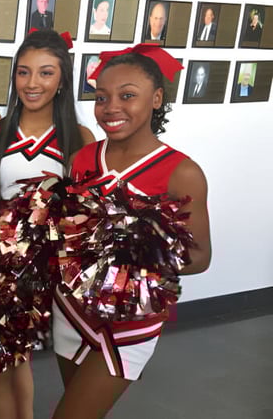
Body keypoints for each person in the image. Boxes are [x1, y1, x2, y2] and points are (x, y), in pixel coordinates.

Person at [52, 47, 211, 419]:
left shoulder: (182, 172)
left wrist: (132, 255)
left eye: (127, 96)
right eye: (101, 97)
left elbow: (200, 257)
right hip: (72, 311)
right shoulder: (82, 159)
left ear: (156, 99)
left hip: (130, 322)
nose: (111, 107)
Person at [0, 29, 95, 419]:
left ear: (62, 80)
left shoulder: (80, 138)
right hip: (5, 272)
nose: (32, 83)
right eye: (24, 72)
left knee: (61, 367)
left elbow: (84, 218)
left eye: (46, 73)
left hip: (56, 275)